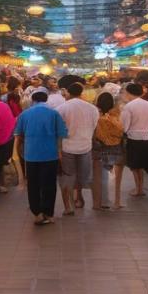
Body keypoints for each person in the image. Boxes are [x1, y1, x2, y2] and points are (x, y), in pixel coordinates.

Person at [14, 90, 68, 225]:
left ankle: (37, 213)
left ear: (33, 100)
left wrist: (16, 152)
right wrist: (60, 152)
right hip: (50, 154)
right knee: (49, 185)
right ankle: (48, 214)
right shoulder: (54, 113)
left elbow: (18, 135)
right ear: (46, 100)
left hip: (31, 155)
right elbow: (61, 135)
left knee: (33, 185)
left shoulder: (24, 114)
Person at [56, 82, 101, 214]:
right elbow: (94, 128)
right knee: (82, 175)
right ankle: (78, 196)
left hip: (67, 147)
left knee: (68, 176)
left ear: (68, 93)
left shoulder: (61, 108)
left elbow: (58, 130)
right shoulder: (92, 108)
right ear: (82, 92)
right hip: (85, 147)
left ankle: (68, 206)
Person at [121, 82, 148, 197]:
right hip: (146, 138)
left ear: (128, 93)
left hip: (133, 139)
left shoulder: (129, 106)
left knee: (134, 166)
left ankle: (139, 189)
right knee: (141, 166)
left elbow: (124, 126)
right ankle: (140, 188)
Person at [93, 92, 125, 210]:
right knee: (116, 176)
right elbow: (122, 129)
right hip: (116, 147)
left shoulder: (96, 114)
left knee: (102, 175)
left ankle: (102, 201)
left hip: (101, 147)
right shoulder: (117, 115)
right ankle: (116, 201)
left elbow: (96, 133)